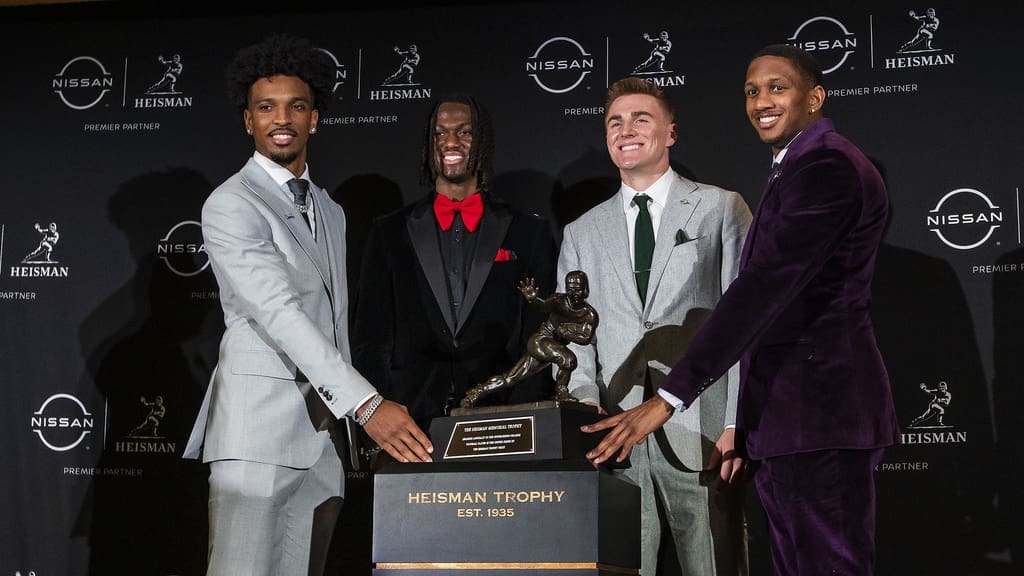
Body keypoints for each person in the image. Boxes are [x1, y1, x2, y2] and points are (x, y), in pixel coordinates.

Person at [583, 45, 900, 575]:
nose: (761, 101)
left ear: (815, 97)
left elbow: (762, 291)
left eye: (778, 87)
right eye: (752, 91)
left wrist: (668, 399)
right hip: (789, 419)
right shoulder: (793, 165)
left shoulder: (827, 165)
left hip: (819, 415)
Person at [182, 33, 432, 576]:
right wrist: (365, 405)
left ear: (314, 119)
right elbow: (278, 312)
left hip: (324, 443)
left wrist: (347, 420)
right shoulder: (230, 203)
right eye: (266, 107)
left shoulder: (330, 209)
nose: (282, 119)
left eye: (296, 106)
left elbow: (335, 326)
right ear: (248, 121)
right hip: (258, 436)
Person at [558, 76, 751, 576]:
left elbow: (746, 322)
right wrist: (583, 400)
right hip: (614, 438)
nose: (627, 130)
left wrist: (736, 422)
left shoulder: (720, 208)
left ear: (670, 133)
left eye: (641, 119)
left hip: (704, 434)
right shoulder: (580, 232)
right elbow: (574, 335)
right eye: (614, 122)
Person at [353, 93, 557, 443]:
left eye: (464, 132)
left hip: (504, 420)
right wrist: (380, 414)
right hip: (409, 423)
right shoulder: (389, 232)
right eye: (440, 133)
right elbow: (370, 339)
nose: (450, 142)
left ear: (483, 142)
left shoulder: (529, 232)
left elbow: (539, 334)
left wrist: (530, 417)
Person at [461, 271, 598, 408]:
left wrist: (566, 333)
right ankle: (561, 391)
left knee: (510, 378)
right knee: (568, 360)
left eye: (577, 290)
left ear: (585, 290)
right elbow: (544, 306)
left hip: (552, 347)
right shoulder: (559, 301)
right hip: (540, 340)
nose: (573, 294)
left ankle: (478, 392)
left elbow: (585, 338)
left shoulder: (589, 314)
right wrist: (534, 299)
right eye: (570, 289)